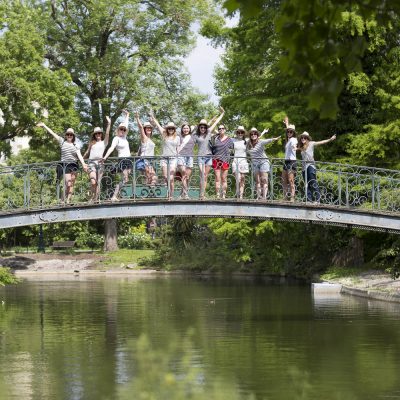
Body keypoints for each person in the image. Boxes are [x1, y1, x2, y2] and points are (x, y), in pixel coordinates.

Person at [36, 122, 88, 204]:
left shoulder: (76, 145)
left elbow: (79, 155)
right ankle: (63, 199)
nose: (69, 136)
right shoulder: (62, 142)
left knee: (72, 183)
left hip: (74, 164)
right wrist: (44, 126)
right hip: (65, 165)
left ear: (73, 136)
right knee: (68, 182)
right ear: (66, 135)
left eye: (71, 135)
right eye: (68, 134)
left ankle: (68, 200)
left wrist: (84, 164)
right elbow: (52, 133)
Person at [193, 107, 225, 200]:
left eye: (204, 127)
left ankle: (202, 195)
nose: (203, 128)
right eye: (201, 127)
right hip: (200, 157)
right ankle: (201, 194)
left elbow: (216, 122)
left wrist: (222, 114)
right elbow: (189, 137)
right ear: (199, 127)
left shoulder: (209, 132)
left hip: (208, 157)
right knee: (202, 175)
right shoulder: (196, 135)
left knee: (205, 176)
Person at [297, 131, 336, 203]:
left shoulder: (311, 144)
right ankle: (309, 200)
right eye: (302, 138)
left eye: (304, 137)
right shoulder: (301, 147)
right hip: (304, 168)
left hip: (310, 166)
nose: (303, 139)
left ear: (307, 138)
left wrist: (330, 139)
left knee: (313, 182)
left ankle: (318, 200)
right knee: (306, 184)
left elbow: (321, 142)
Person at [102, 110, 131, 202]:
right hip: (123, 160)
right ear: (118, 130)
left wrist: (127, 115)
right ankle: (114, 195)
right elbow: (111, 148)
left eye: (124, 129)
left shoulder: (124, 138)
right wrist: (105, 157)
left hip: (129, 160)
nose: (122, 130)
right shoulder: (116, 138)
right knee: (125, 179)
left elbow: (126, 123)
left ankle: (117, 195)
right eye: (121, 129)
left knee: (125, 179)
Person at [150, 113, 180, 200]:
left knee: (171, 178)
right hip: (164, 159)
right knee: (166, 177)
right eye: (169, 128)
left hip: (173, 159)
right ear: (167, 129)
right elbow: (158, 125)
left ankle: (171, 195)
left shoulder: (177, 138)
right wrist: (153, 117)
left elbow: (178, 149)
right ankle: (168, 194)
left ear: (174, 129)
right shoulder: (164, 135)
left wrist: (178, 160)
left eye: (172, 128)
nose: (170, 129)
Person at [247, 127, 281, 200]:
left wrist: (274, 139)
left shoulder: (260, 141)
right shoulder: (248, 143)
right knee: (257, 181)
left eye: (255, 133)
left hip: (263, 162)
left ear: (257, 134)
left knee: (264, 179)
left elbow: (268, 141)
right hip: (255, 163)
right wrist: (263, 132)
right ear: (250, 135)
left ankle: (264, 197)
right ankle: (259, 196)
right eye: (252, 134)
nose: (253, 135)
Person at [83, 116, 111, 202]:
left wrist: (109, 123)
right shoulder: (92, 143)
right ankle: (91, 197)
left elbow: (107, 134)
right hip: (91, 163)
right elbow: (86, 153)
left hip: (100, 163)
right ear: (94, 135)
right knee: (93, 181)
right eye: (96, 134)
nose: (98, 135)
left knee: (98, 182)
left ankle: (96, 199)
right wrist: (82, 161)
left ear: (101, 134)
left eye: (99, 133)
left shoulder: (104, 143)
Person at [210, 123, 234, 199]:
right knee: (217, 178)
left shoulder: (229, 139)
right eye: (219, 129)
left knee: (224, 178)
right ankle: (217, 195)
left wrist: (231, 159)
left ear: (225, 130)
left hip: (225, 160)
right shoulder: (215, 138)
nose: (221, 130)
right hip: (216, 160)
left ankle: (223, 195)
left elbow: (233, 149)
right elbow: (211, 148)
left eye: (222, 128)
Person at [135, 112, 157, 186]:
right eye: (147, 128)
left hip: (150, 160)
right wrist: (137, 118)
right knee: (151, 176)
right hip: (144, 160)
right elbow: (140, 127)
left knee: (152, 178)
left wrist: (152, 118)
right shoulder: (144, 137)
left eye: (150, 128)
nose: (149, 129)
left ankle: (148, 190)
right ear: (144, 129)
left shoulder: (150, 139)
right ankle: (148, 190)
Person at [177, 123, 195, 199]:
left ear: (190, 129)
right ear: (182, 129)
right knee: (184, 174)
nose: (186, 129)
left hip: (190, 157)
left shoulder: (193, 136)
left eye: (187, 128)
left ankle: (181, 194)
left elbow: (202, 127)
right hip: (181, 156)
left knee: (187, 177)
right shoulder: (179, 136)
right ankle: (186, 194)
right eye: (184, 128)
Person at [282, 116, 297, 202]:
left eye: (291, 132)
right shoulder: (288, 139)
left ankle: (292, 197)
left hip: (291, 161)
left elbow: (294, 144)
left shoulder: (294, 139)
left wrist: (294, 147)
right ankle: (285, 197)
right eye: (288, 131)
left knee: (291, 180)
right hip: (286, 161)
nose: (289, 132)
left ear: (293, 133)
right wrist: (287, 123)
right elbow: (288, 131)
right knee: (283, 179)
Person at [232, 126, 249, 199]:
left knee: (242, 178)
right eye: (238, 132)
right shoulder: (233, 140)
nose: (240, 134)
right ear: (237, 133)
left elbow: (256, 138)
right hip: (236, 161)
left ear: (243, 133)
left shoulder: (246, 140)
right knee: (238, 179)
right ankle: (238, 194)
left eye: (241, 132)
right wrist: (217, 131)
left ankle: (241, 195)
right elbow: (224, 138)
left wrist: (264, 132)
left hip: (243, 161)